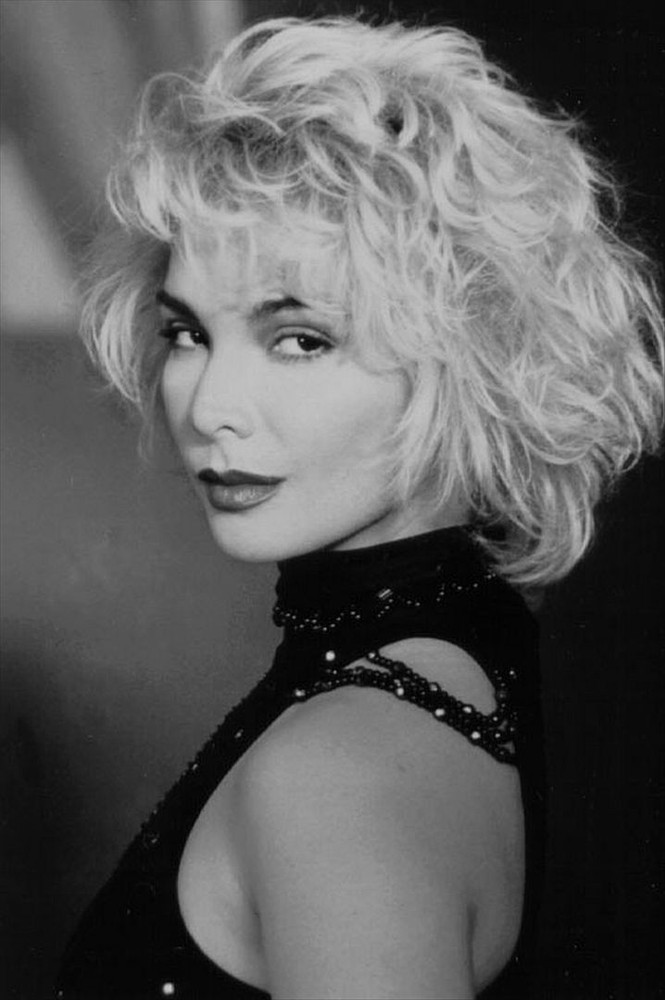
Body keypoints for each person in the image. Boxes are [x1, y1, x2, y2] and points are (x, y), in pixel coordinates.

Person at [54, 15, 663, 1000]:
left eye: (300, 338)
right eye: (188, 332)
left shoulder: (335, 770)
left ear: (467, 353)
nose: (208, 407)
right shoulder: (465, 648)